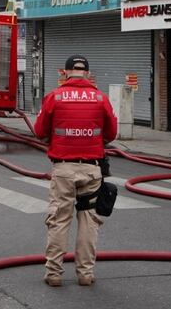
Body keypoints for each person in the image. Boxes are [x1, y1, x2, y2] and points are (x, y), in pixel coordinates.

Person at [33, 55, 117, 288]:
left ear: (66, 73)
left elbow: (39, 131)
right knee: (89, 221)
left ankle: (54, 274)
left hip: (63, 169)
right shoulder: (101, 98)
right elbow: (111, 133)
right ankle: (85, 274)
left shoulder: (54, 97)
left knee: (59, 220)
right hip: (91, 170)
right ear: (88, 74)